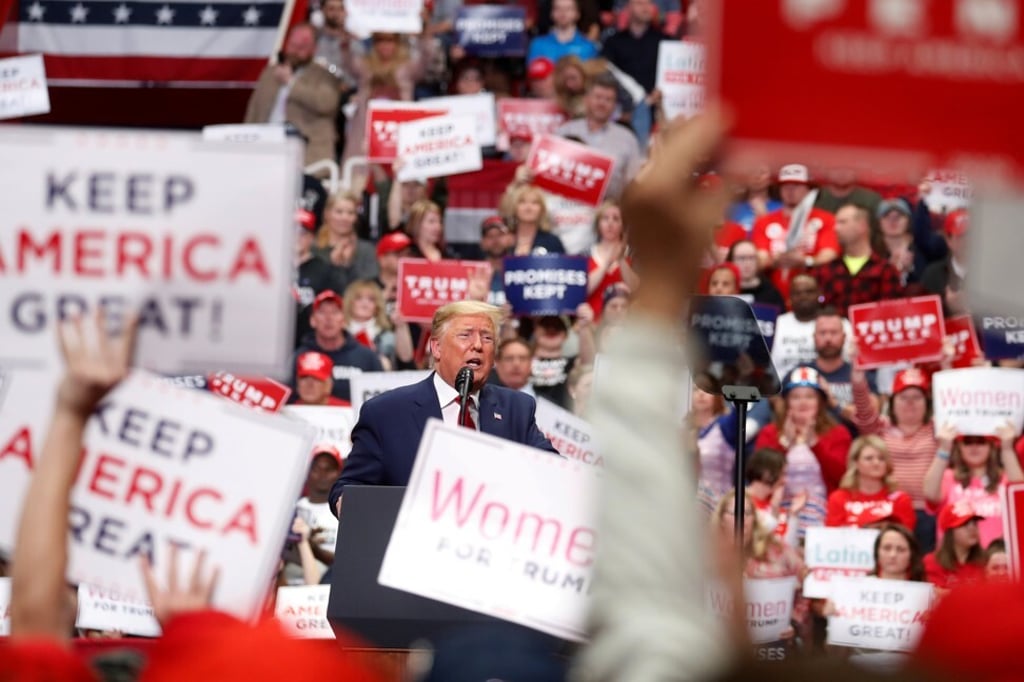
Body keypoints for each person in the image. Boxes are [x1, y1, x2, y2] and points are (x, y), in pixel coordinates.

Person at [330, 301, 559, 512]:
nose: (478, 345)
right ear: (436, 348)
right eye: (465, 335)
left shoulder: (516, 408)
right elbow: (349, 488)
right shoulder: (386, 413)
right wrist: (349, 507)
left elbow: (555, 473)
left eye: (487, 338)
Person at [754, 365, 852, 534]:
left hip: (824, 517)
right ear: (786, 402)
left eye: (809, 396)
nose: (803, 402)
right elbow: (760, 475)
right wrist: (785, 444)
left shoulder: (837, 433)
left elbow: (843, 477)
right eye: (796, 397)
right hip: (775, 516)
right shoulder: (770, 433)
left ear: (821, 402)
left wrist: (815, 445)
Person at [852, 367, 940, 552]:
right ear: (892, 402)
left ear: (927, 402)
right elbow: (862, 410)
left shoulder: (936, 428)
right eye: (903, 397)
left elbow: (950, 404)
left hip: (928, 511)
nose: (910, 403)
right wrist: (858, 376)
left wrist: (947, 365)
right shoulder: (881, 426)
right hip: (888, 511)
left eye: (917, 397)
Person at [243, 23, 341, 167]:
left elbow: (326, 103)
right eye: (293, 44)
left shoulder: (324, 76)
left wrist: (291, 83)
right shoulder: (270, 73)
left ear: (314, 49)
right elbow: (254, 110)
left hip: (307, 157)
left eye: (303, 46)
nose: (295, 50)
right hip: (265, 150)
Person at [923, 421, 1024, 549]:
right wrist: (943, 449)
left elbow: (1020, 497)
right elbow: (930, 494)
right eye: (968, 442)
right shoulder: (948, 477)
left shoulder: (1005, 479)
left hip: (996, 561)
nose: (974, 447)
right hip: (956, 563)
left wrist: (1007, 450)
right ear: (959, 447)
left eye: (981, 442)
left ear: (991, 446)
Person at [752, 163, 839, 299]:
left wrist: (805, 261)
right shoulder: (764, 222)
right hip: (773, 293)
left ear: (809, 189)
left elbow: (830, 254)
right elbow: (759, 258)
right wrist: (775, 260)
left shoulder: (826, 219)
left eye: (796, 186)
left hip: (813, 294)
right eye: (785, 186)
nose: (790, 190)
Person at [555, 73, 642, 201]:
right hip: (565, 209)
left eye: (608, 99)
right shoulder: (563, 132)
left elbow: (632, 183)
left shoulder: (628, 139)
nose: (602, 103)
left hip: (608, 212)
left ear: (614, 105)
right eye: (598, 97)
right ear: (586, 99)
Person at [292, 290, 384, 403]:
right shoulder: (299, 357)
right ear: (312, 320)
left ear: (344, 320)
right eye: (322, 312)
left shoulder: (367, 357)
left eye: (335, 312)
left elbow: (381, 399)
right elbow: (288, 400)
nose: (328, 318)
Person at [813, 202, 903, 316]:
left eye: (842, 222)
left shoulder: (885, 270)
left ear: (862, 226)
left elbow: (892, 313)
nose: (836, 228)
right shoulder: (826, 270)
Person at [825, 435, 916, 529]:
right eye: (869, 458)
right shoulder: (838, 498)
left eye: (881, 458)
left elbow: (905, 536)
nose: (876, 463)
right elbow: (833, 535)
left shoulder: (900, 499)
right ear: (855, 463)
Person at [284, 444, 343, 584]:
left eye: (329, 469)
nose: (322, 474)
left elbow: (347, 563)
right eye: (316, 468)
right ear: (307, 472)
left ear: (339, 473)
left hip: (329, 586)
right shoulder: (291, 510)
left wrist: (313, 549)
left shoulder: (342, 510)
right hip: (289, 584)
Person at [312, 191, 380, 287]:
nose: (345, 218)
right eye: (339, 212)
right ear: (326, 214)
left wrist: (348, 265)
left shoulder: (367, 250)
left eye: (350, 213)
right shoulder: (313, 248)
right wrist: (333, 265)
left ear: (356, 218)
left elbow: (370, 287)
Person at [586, 201, 639, 321]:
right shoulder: (587, 253)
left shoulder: (632, 254)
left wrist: (621, 260)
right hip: (592, 321)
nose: (610, 223)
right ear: (598, 224)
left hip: (624, 324)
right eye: (605, 218)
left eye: (616, 219)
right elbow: (583, 290)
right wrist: (605, 264)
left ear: (623, 225)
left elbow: (635, 288)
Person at [343, 279, 413, 370]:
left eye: (371, 299)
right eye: (358, 298)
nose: (365, 303)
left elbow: (406, 358)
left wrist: (401, 326)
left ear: (377, 306)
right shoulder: (340, 332)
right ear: (349, 302)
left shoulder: (387, 335)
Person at [923, 501, 986, 590]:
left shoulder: (985, 562)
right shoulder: (932, 562)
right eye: (965, 524)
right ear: (950, 531)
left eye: (974, 523)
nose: (972, 528)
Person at [921, 208, 972, 317]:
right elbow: (925, 319)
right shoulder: (933, 274)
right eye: (961, 237)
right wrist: (948, 307)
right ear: (948, 240)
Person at [527, 0, 599, 65]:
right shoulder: (538, 44)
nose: (563, 13)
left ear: (578, 14)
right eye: (558, 8)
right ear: (551, 13)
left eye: (568, 9)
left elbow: (591, 76)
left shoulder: (588, 47)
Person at [729, 239, 785, 309]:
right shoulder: (725, 290)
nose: (747, 263)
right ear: (731, 261)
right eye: (741, 258)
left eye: (751, 258)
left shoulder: (770, 292)